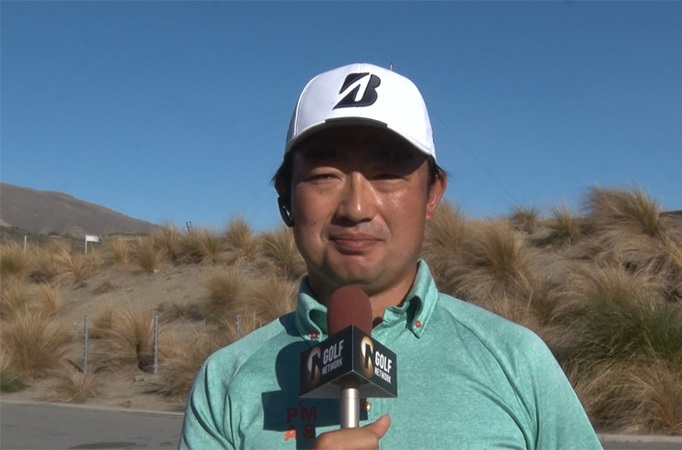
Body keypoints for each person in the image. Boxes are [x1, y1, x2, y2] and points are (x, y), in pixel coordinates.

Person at [179, 63, 602, 449]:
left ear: (432, 194)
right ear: (286, 196)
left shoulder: (518, 361)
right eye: (325, 175)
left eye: (387, 174)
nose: (356, 208)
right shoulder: (225, 383)